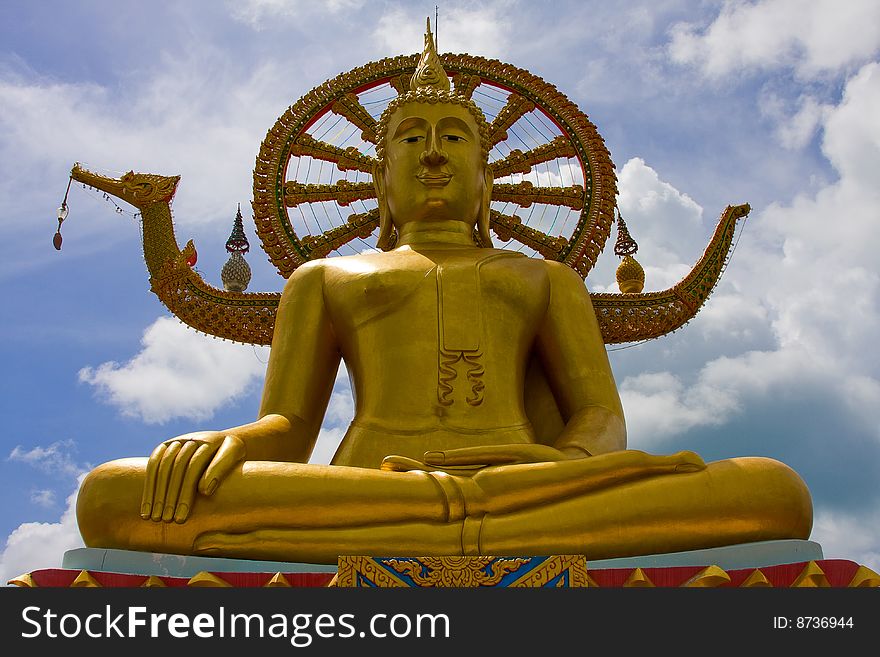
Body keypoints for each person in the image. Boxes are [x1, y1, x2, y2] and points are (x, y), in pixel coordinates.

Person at [76, 25, 812, 564]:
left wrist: (566, 461)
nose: (432, 152)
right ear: (380, 182)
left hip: (526, 486)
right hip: (369, 487)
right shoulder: (325, 279)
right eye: (411, 139)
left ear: (488, 180)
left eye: (456, 137)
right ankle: (457, 518)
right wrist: (220, 446)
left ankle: (452, 518)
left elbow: (598, 414)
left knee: (773, 490)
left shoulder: (543, 279)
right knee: (112, 495)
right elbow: (287, 426)